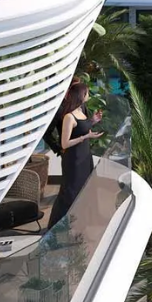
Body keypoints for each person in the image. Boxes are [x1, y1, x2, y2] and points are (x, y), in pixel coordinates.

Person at [46, 77, 96, 229]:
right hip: (72, 155)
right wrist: (59, 149)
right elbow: (49, 133)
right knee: (69, 191)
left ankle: (78, 222)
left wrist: (93, 121)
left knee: (84, 188)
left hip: (84, 154)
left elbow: (82, 126)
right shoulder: (63, 110)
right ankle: (56, 227)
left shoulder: (81, 108)